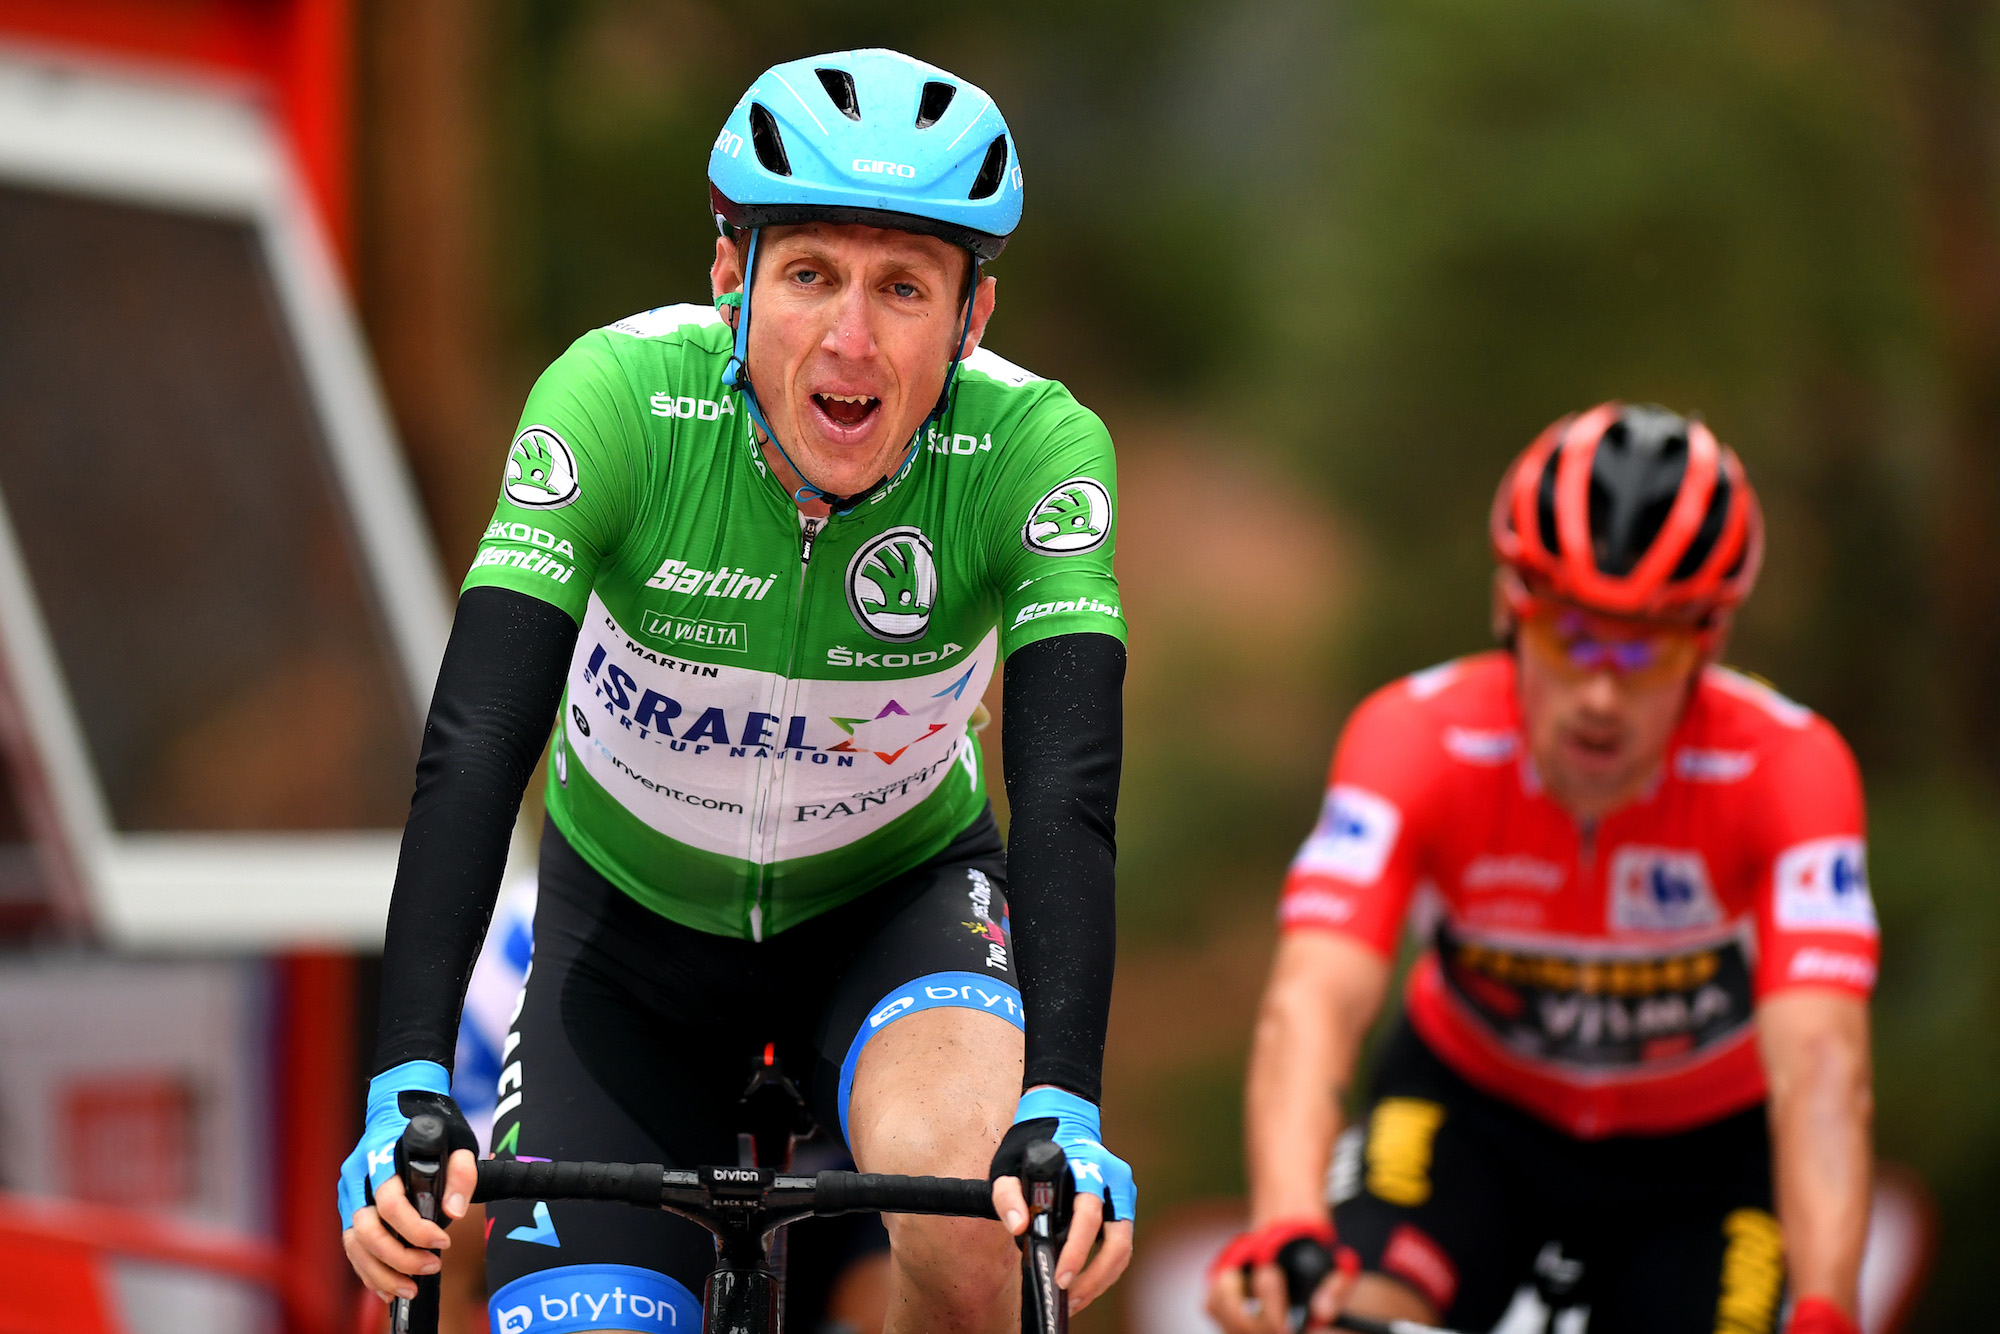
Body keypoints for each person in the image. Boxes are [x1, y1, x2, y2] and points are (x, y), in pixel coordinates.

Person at [336, 48, 1135, 1333]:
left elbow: (1065, 792)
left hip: (896, 908)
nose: (850, 339)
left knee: (976, 1224)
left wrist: (1065, 1094)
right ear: (731, 276)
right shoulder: (616, 400)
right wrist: (408, 1071)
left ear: (971, 316)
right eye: (809, 274)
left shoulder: (1033, 448)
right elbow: (478, 740)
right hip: (625, 939)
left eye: (904, 287)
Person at [1207, 404, 1877, 1334]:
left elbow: (1821, 1063)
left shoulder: (1790, 767)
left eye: (1645, 649)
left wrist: (1829, 1303)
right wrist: (1286, 1220)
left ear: (1710, 642)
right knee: (1335, 1311)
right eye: (1571, 636)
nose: (1601, 692)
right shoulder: (1415, 739)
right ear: (1507, 608)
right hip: (1472, 1121)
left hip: (1707, 1161)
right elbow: (1314, 999)